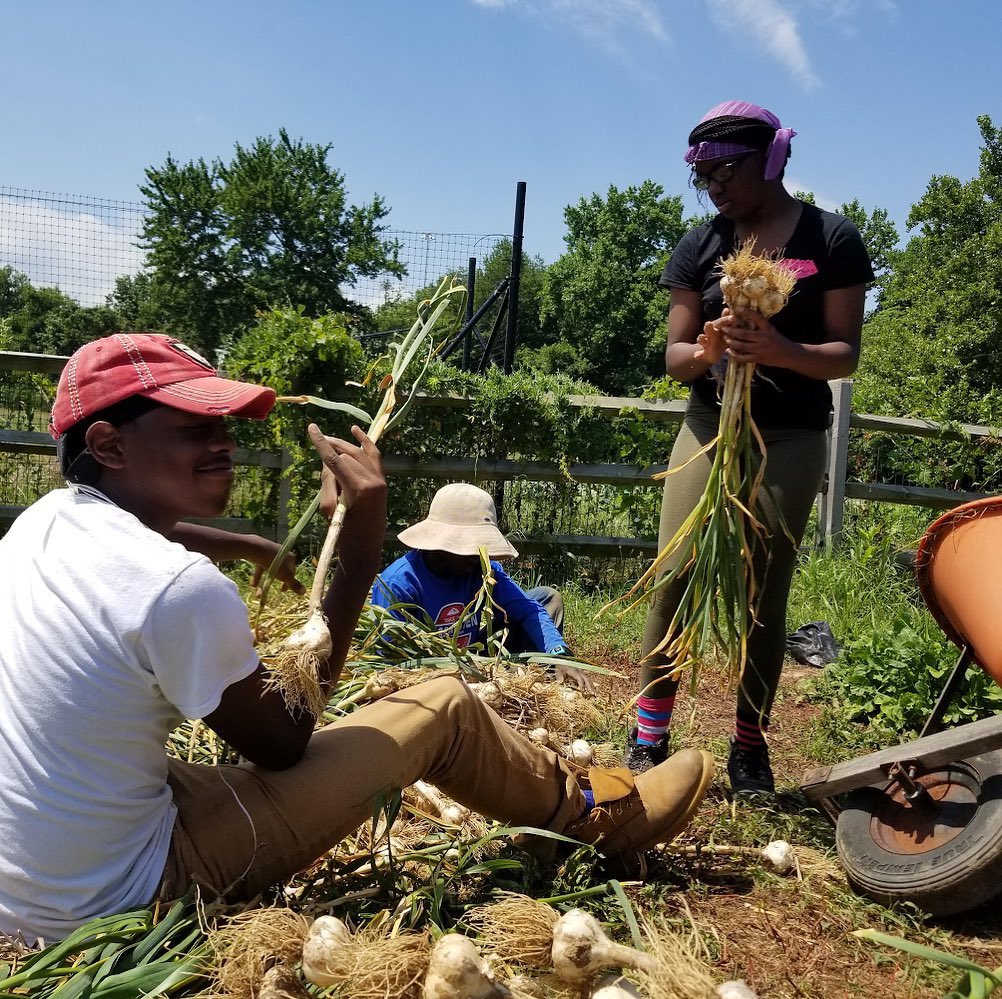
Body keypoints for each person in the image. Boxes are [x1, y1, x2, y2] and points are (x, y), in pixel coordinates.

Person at [0, 332, 715, 945]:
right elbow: (284, 740)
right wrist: (360, 551)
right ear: (107, 442)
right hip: (114, 897)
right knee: (442, 707)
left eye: (224, 426)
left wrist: (249, 543)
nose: (225, 445)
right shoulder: (176, 587)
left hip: (31, 875)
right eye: (195, 429)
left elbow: (148, 539)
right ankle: (593, 817)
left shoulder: (42, 521)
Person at [623, 101, 874, 795]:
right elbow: (673, 359)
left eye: (724, 171)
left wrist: (781, 350)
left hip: (789, 436)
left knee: (765, 592)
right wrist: (703, 353)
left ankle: (750, 745)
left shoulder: (831, 239)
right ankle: (648, 734)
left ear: (769, 161)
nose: (714, 188)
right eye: (702, 176)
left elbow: (844, 354)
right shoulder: (701, 245)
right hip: (707, 428)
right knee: (672, 576)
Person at [369, 483, 593, 690]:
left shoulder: (482, 569)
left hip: (480, 651)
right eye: (471, 549)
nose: (479, 557)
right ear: (440, 544)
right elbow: (392, 665)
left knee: (546, 598)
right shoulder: (399, 585)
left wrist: (559, 654)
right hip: (435, 674)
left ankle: (539, 673)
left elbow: (528, 609)